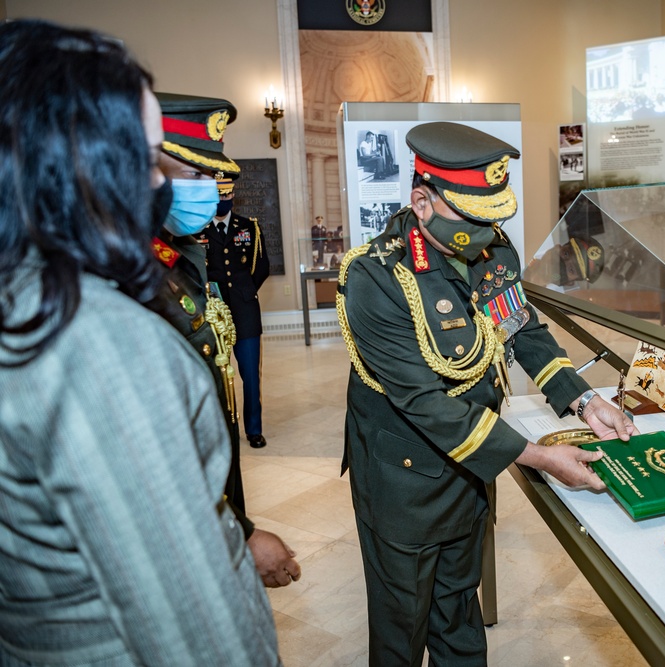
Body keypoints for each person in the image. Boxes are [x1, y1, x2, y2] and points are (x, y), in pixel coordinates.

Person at [0, 19, 280, 664]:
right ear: (86, 162)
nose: (162, 181)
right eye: (150, 155)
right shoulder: (96, 345)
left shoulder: (27, 294)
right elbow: (187, 627)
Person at [337, 121, 635, 665]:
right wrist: (538, 456)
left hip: (471, 467)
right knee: (402, 629)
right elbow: (424, 403)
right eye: (473, 216)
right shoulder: (377, 278)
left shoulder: (493, 255)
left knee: (458, 615)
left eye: (494, 215)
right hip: (403, 481)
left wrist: (583, 399)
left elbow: (522, 327)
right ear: (421, 202)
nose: (487, 231)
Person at [152, 91, 298, 586]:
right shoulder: (136, 279)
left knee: (245, 384)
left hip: (244, 312)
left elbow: (255, 269)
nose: (210, 191)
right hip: (182, 549)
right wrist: (238, 530)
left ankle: (252, 426)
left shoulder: (171, 263)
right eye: (194, 176)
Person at [206, 173, 271, 449]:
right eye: (218, 196)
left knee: (250, 377)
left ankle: (253, 430)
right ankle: (223, 431)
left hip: (245, 314)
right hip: (214, 314)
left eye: (227, 195)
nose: (223, 200)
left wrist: (245, 292)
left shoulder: (249, 227)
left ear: (233, 195)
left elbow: (261, 266)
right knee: (218, 376)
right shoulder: (197, 230)